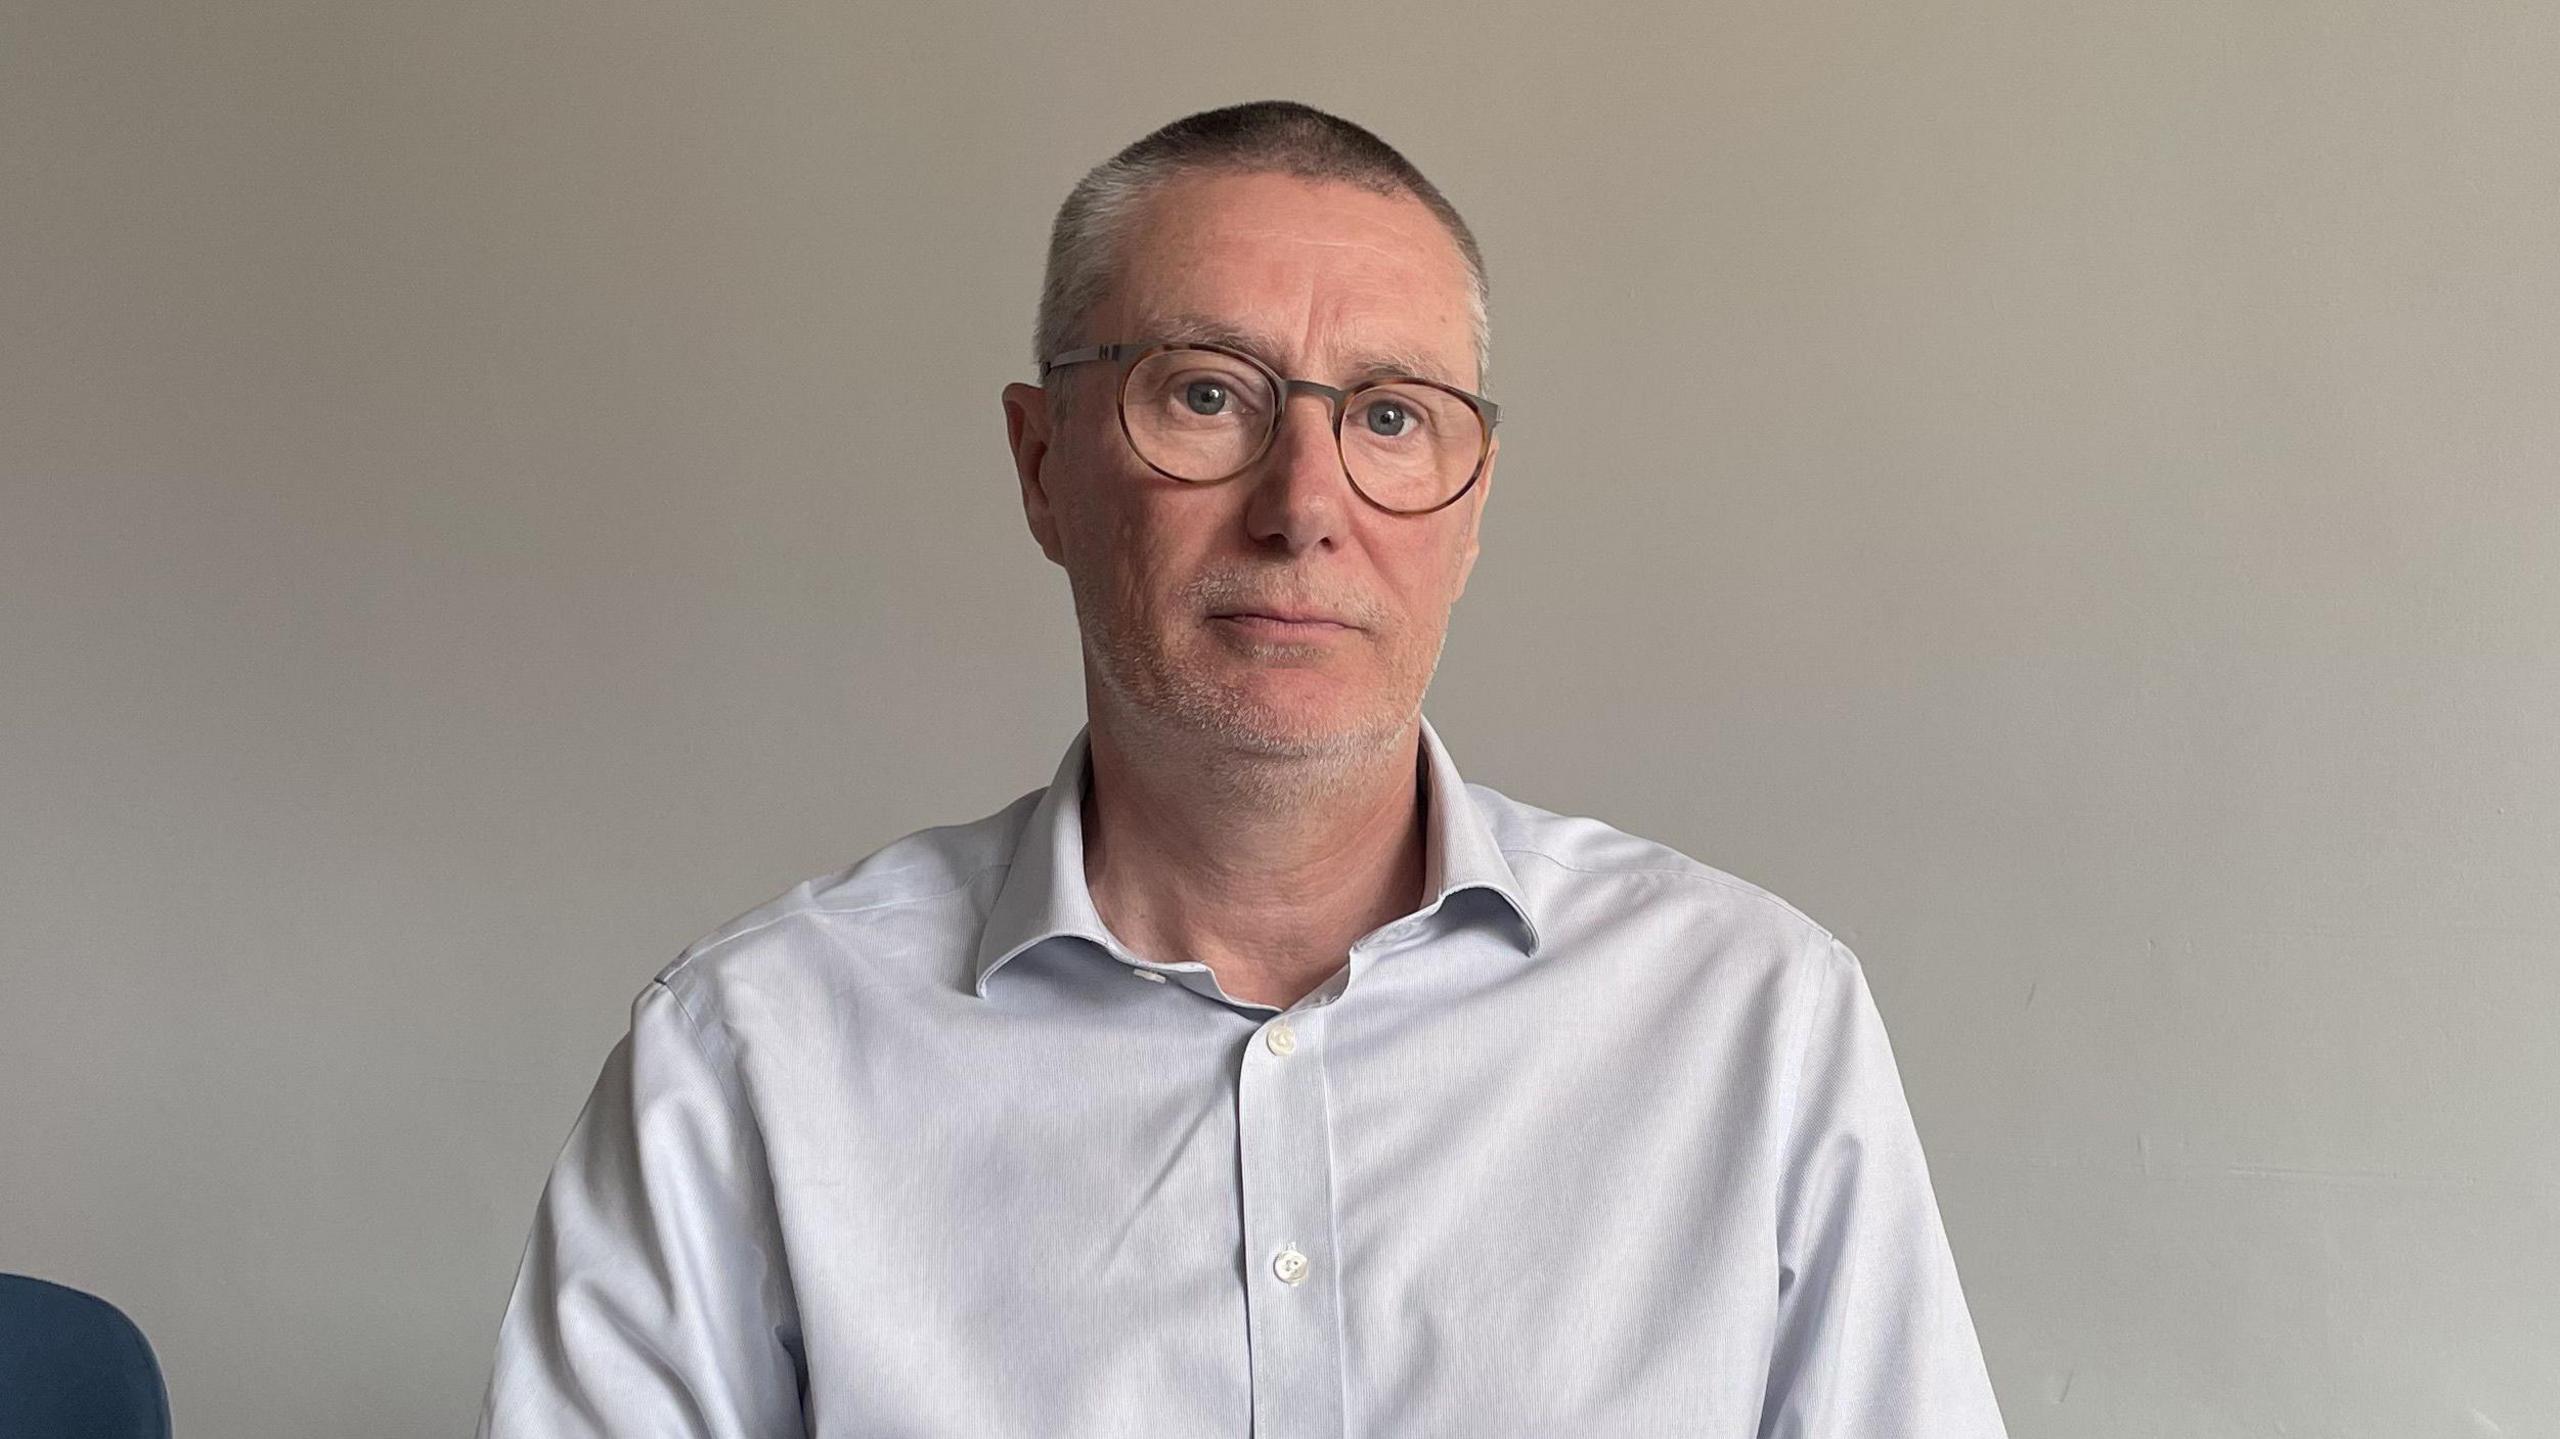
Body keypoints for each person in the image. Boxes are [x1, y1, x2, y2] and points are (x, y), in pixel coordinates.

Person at [476, 99, 2008, 1437]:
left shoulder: (1751, 1025)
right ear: (1040, 465)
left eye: (1392, 418)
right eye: (1207, 394)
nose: (1304, 506)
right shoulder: (751, 1065)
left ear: (1470, 513)